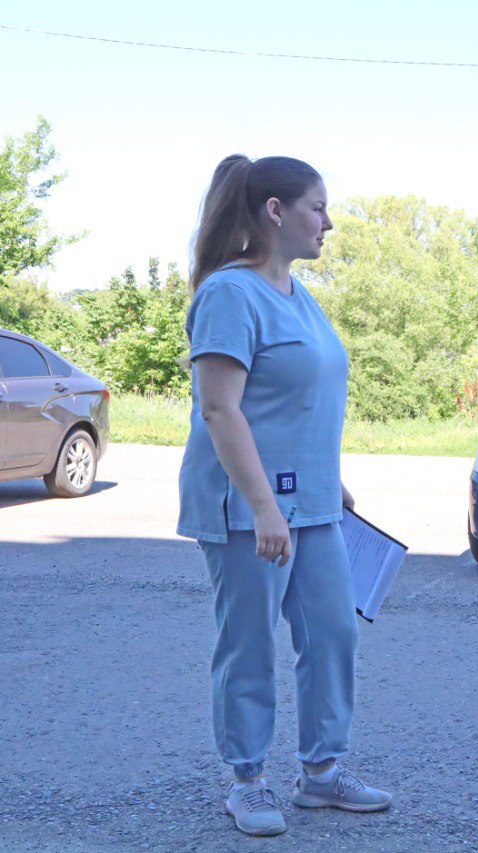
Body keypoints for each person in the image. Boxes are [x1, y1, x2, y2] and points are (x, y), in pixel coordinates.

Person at [178, 155, 391, 837]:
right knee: (248, 645)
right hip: (248, 506)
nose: (328, 222)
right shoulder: (229, 295)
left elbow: (299, 400)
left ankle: (323, 774)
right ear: (276, 210)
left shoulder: (299, 294)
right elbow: (220, 409)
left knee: (332, 633)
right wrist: (266, 504)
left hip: (316, 502)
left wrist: (329, 480)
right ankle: (247, 780)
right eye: (317, 207)